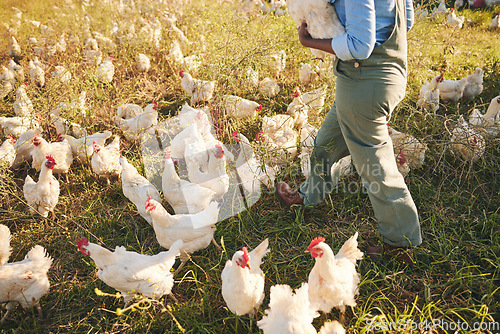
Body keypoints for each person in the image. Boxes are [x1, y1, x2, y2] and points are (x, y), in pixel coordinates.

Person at [275, 0, 422, 267]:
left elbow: (359, 46)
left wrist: (309, 41)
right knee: (327, 142)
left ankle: (400, 245)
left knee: (376, 167)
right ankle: (308, 195)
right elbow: (406, 22)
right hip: (386, 74)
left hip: (364, 81)